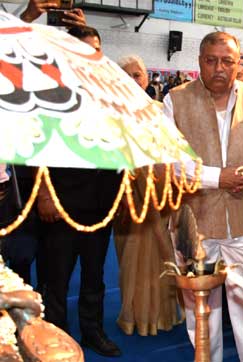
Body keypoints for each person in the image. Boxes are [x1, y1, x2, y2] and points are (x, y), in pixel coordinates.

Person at [163, 31, 243, 362]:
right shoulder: (175, 99)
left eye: (227, 61)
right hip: (192, 220)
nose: (219, 68)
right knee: (200, 307)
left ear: (238, 64)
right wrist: (218, 178)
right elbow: (170, 159)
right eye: (211, 61)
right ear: (199, 62)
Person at [36, 25, 122, 357]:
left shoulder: (112, 93)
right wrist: (44, 195)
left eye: (96, 49)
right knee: (56, 278)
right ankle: (55, 337)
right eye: (83, 48)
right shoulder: (48, 92)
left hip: (101, 202)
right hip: (59, 202)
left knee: (95, 275)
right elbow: (36, 147)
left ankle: (92, 331)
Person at [113, 55, 181, 337]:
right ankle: (136, 318)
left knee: (162, 258)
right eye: (126, 75)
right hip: (128, 199)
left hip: (161, 191)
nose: (133, 80)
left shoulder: (159, 110)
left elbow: (174, 149)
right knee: (133, 261)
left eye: (138, 74)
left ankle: (163, 316)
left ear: (146, 77)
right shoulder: (110, 114)